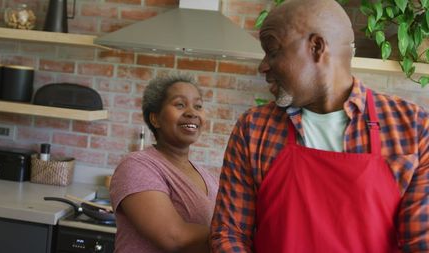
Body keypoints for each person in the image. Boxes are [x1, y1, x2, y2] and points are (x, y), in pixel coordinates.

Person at [210, 0, 429, 252]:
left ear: (316, 47)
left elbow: (421, 243)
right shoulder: (254, 128)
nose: (263, 66)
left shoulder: (411, 127)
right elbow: (229, 233)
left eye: (272, 51)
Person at [109, 74, 218, 253]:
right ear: (155, 119)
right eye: (180, 104)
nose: (192, 112)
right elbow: (173, 237)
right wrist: (239, 235)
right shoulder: (137, 166)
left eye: (198, 106)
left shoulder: (210, 179)